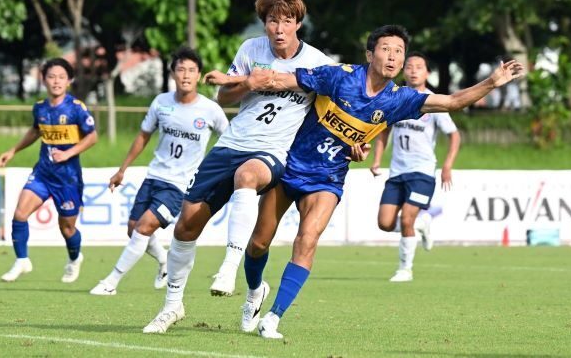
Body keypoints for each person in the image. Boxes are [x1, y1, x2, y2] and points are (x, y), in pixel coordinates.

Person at [213, 24, 523, 339]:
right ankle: (255, 292)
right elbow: (280, 79)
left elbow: (453, 101)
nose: (393, 57)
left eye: (399, 52)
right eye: (386, 49)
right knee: (259, 243)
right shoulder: (339, 76)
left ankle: (273, 318)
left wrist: (493, 82)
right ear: (369, 53)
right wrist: (235, 80)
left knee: (307, 240)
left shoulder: (400, 99)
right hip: (292, 164)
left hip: (328, 178)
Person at [142, 0, 333, 334]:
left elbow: (334, 107)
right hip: (231, 143)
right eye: (272, 21)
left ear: (297, 24)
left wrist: (352, 142)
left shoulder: (317, 62)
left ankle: (229, 266)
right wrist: (249, 81)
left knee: (247, 176)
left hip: (272, 151)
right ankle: (172, 306)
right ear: (264, 24)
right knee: (186, 225)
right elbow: (225, 97)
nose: (278, 28)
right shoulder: (250, 49)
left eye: (286, 21)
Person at [89, 46, 229, 296]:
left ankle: (111, 282)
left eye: (191, 70)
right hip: (153, 177)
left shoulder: (211, 110)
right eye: (181, 69)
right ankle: (164, 262)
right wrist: (122, 170)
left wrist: (216, 172)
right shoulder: (161, 103)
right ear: (173, 73)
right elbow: (143, 136)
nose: (186, 75)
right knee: (133, 229)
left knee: (143, 228)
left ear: (199, 75)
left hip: (179, 186)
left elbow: (230, 140)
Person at [0, 58, 98, 283]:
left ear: (69, 81)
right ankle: (22, 260)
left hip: (68, 178)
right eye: (51, 77)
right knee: (20, 214)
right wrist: (13, 150)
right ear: (44, 80)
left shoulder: (76, 109)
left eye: (61, 77)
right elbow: (35, 132)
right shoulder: (40, 107)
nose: (56, 81)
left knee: (67, 229)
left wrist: (68, 153)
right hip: (43, 172)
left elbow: (92, 136)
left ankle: (74, 259)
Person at [370, 51, 461, 282]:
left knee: (407, 219)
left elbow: (454, 135)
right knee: (385, 223)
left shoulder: (433, 101)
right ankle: (424, 222)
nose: (412, 70)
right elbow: (384, 129)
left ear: (427, 73)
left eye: (418, 67)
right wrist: (378, 159)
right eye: (409, 66)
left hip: (422, 171)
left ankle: (405, 270)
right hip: (397, 171)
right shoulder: (396, 97)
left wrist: (448, 165)